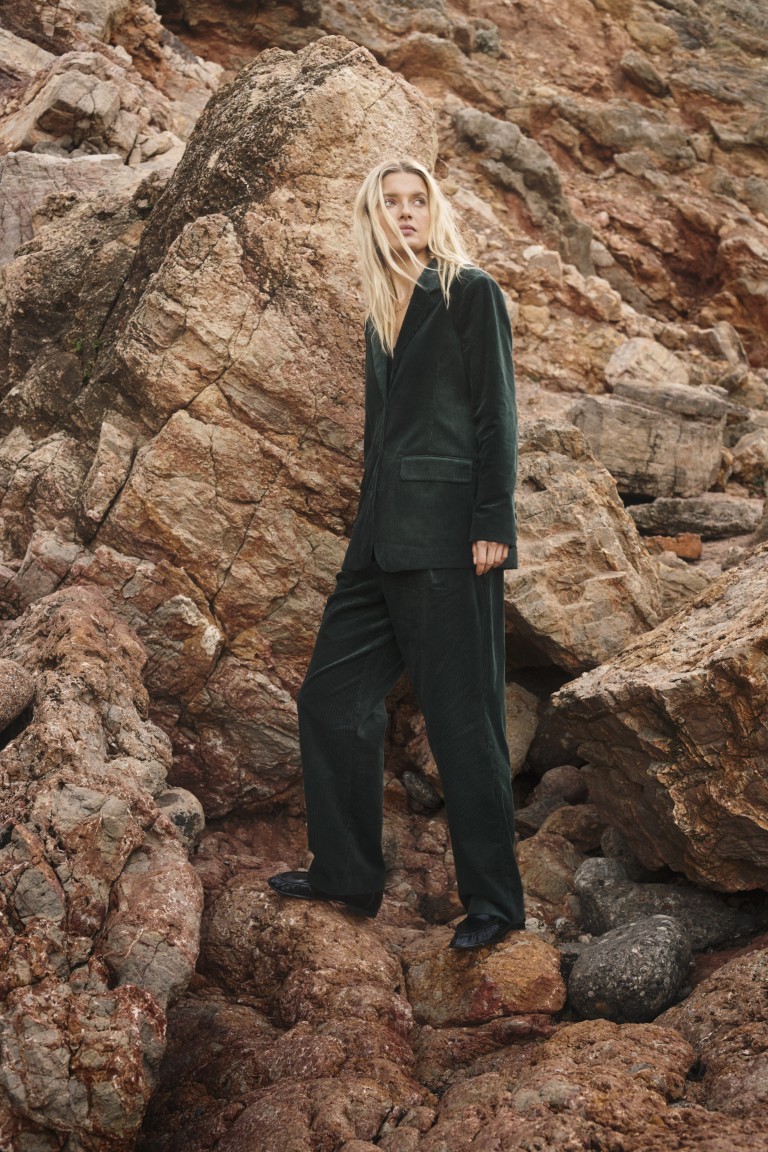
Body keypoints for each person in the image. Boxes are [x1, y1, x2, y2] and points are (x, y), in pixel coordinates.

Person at [269, 157, 525, 949]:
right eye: (391, 203)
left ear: (433, 209)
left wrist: (493, 520)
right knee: (330, 699)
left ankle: (495, 903)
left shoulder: (469, 291)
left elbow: (496, 414)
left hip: (451, 541)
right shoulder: (381, 307)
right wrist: (365, 532)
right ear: (371, 216)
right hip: (377, 545)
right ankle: (346, 873)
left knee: (463, 721)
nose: (406, 213)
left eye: (418, 200)